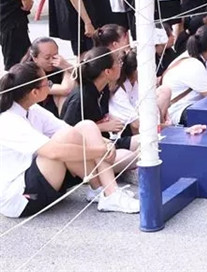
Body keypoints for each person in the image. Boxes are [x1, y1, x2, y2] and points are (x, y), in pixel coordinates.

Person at [0, 62, 139, 217]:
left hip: (39, 176)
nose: (50, 86)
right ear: (34, 92)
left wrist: (105, 143)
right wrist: (99, 150)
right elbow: (53, 152)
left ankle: (106, 191)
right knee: (66, 138)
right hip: (19, 196)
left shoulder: (32, 109)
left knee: (87, 126)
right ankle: (107, 192)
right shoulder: (8, 120)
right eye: (48, 83)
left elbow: (67, 129)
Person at [60, 47, 140, 156]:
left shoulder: (103, 89)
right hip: (88, 151)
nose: (121, 65)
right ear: (107, 71)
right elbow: (68, 132)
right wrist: (103, 127)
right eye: (118, 62)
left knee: (146, 140)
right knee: (128, 156)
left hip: (106, 142)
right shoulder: (80, 98)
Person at [22, 37, 75, 117]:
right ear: (34, 58)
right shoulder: (28, 74)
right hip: (33, 112)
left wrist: (67, 66)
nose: (52, 61)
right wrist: (66, 67)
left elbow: (80, 76)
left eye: (55, 56)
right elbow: (65, 89)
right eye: (47, 58)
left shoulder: (57, 67)